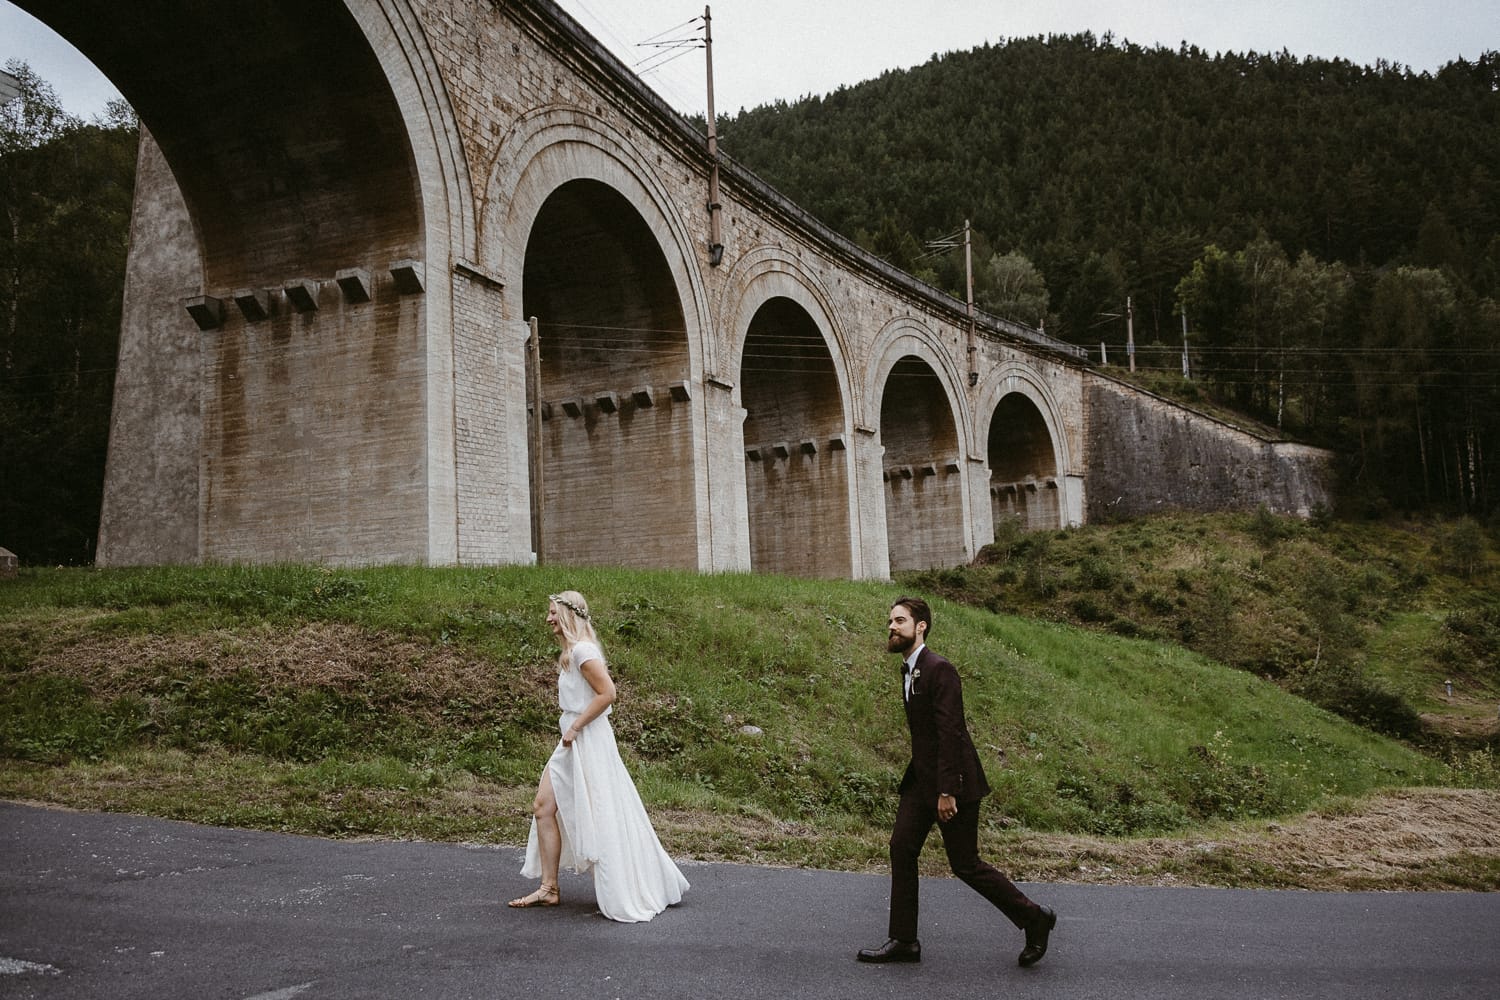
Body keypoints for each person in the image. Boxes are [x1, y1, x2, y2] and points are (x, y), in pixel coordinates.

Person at [858, 596, 1057, 967]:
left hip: (954, 781)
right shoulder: (910, 670)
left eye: (899, 621)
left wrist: (948, 790)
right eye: (889, 621)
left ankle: (1035, 918)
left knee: (965, 864)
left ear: (921, 627)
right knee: (902, 848)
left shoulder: (939, 669)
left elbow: (951, 732)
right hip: (922, 780)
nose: (891, 627)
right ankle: (903, 940)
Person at [508, 591, 689, 922]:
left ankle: (617, 883)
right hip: (571, 740)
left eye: (552, 613)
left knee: (600, 809)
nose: (548, 619)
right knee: (543, 806)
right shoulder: (572, 652)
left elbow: (608, 694)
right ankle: (549, 888)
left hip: (584, 739)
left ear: (567, 616)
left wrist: (575, 727)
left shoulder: (583, 652)